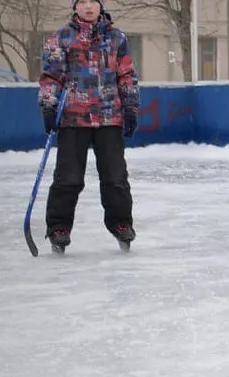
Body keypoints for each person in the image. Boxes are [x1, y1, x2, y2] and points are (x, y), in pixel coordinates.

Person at [38, 0, 139, 253]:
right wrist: (49, 106)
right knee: (68, 178)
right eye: (82, 2)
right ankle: (58, 227)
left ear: (99, 5)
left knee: (115, 177)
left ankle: (121, 224)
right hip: (73, 117)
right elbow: (51, 76)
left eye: (92, 2)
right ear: (76, 7)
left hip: (109, 116)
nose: (88, 7)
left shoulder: (117, 38)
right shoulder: (61, 37)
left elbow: (126, 74)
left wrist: (130, 106)